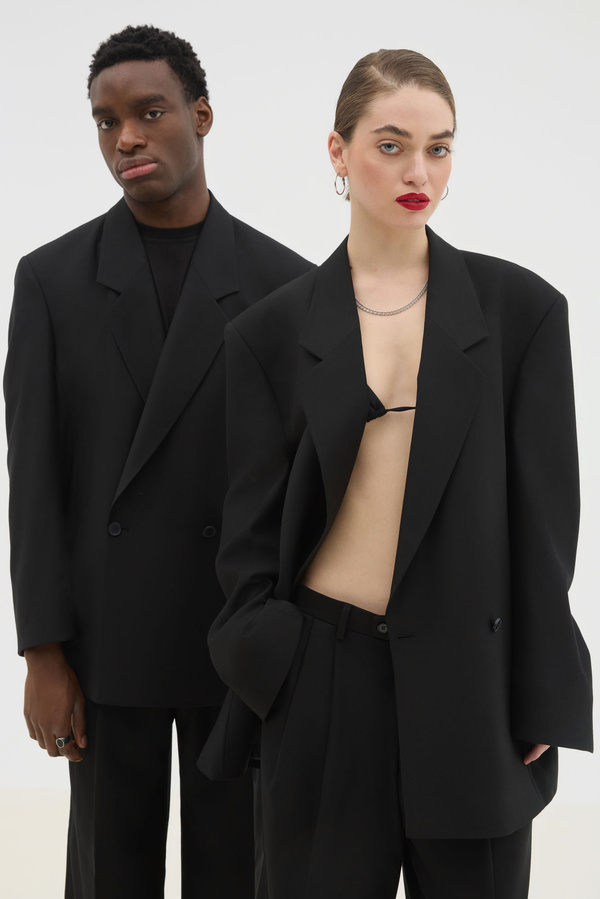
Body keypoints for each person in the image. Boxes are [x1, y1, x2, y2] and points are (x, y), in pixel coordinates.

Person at [200, 49, 593, 898]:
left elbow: (546, 527)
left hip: (474, 684)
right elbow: (249, 537)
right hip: (323, 683)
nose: (420, 172)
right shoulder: (268, 334)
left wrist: (540, 689)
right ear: (337, 152)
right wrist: (278, 669)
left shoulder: (522, 311)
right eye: (391, 145)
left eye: (439, 147)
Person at [4, 24, 312, 899]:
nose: (126, 137)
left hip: (239, 641)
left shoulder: (287, 284)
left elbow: (305, 493)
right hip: (106, 644)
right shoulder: (52, 280)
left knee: (240, 876)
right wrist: (43, 653)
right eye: (106, 122)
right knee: (109, 876)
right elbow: (35, 483)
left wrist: (297, 651)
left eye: (149, 112)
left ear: (201, 115)